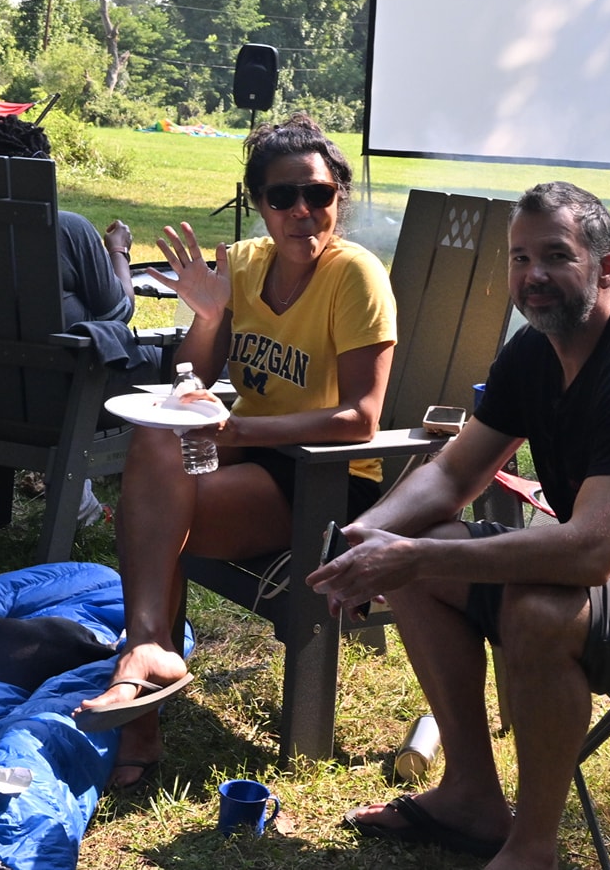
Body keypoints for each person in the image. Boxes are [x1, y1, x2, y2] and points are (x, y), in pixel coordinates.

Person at [309, 182, 610, 870]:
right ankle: (470, 794)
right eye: (519, 257)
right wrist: (369, 536)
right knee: (426, 553)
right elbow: (452, 474)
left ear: (605, 268)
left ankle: (531, 849)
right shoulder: (533, 353)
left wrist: (407, 556)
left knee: (536, 606)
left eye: (556, 256)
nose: (533, 277)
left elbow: (592, 549)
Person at [75, 114, 396, 791]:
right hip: (247, 461)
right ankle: (150, 646)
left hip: (326, 479)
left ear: (339, 193)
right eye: (283, 197)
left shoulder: (355, 277)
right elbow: (190, 382)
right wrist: (211, 316)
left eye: (319, 193)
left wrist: (239, 434)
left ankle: (142, 683)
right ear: (260, 203)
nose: (302, 211)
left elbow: (361, 418)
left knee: (151, 514)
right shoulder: (243, 266)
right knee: (156, 445)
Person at [0, 112, 161, 525]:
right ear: (43, 166)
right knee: (175, 361)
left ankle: (87, 493)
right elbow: (120, 311)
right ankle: (160, 498)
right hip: (62, 400)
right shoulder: (70, 230)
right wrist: (118, 252)